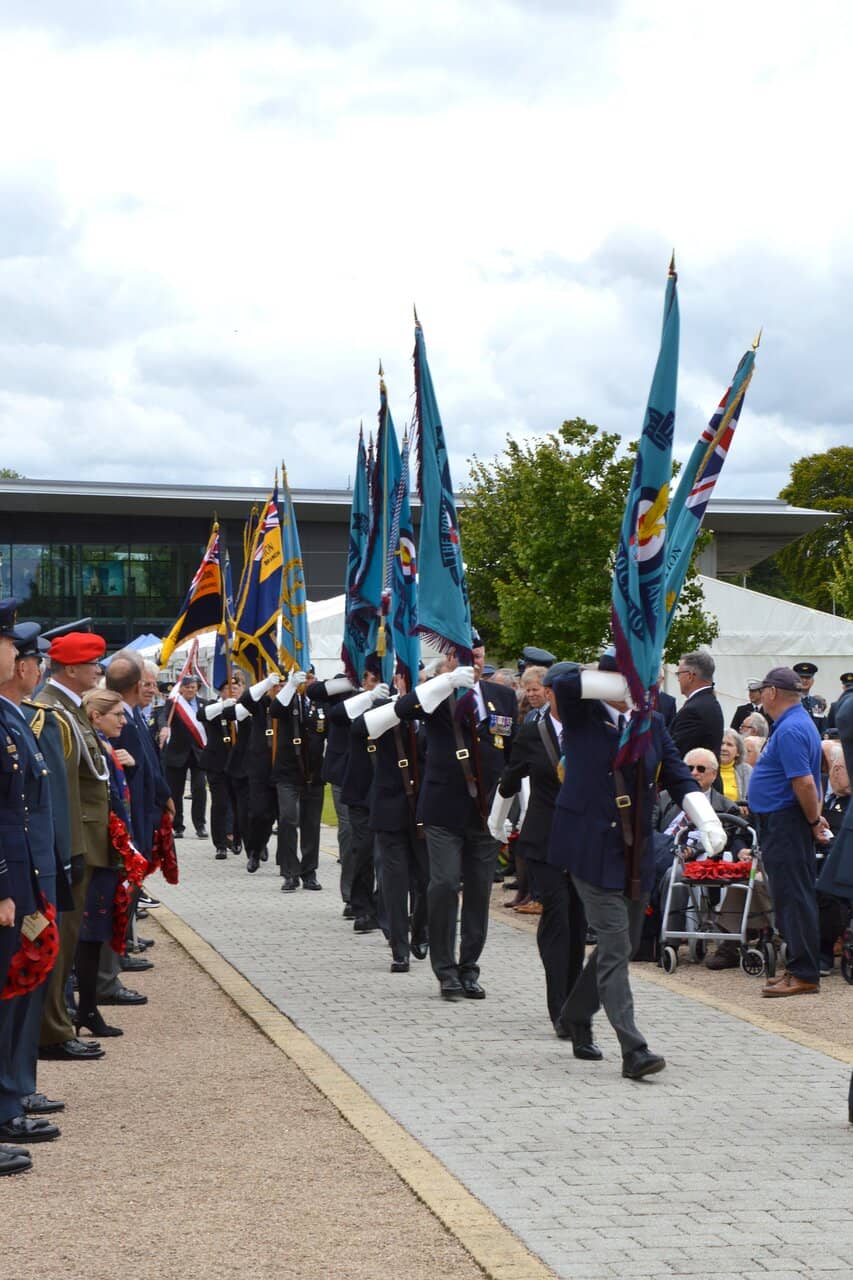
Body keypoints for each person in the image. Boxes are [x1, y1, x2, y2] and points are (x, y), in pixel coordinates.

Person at [550, 655, 725, 1079]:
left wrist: (708, 818)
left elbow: (679, 776)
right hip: (588, 847)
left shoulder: (652, 721)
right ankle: (634, 1048)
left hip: (634, 851)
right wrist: (614, 680)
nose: (652, 685)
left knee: (624, 945)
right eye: (642, 677)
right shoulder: (584, 711)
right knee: (613, 944)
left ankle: (575, 1014)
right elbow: (561, 679)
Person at [368, 630, 518, 999]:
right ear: (449, 659)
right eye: (467, 657)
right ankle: (444, 969)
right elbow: (403, 711)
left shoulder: (502, 696)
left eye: (479, 656)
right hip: (442, 808)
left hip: (486, 812)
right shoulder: (435, 693)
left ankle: (469, 967)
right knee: (445, 884)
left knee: (480, 890)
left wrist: (510, 807)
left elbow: (511, 754)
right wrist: (445, 683)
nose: (475, 662)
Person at [0, 622, 72, 1134]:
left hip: (29, 874)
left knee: (23, 985)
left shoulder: (16, 716)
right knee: (12, 989)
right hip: (13, 879)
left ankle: (16, 1090)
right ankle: (8, 1101)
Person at [491, 661, 587, 1032]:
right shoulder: (533, 732)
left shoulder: (592, 731)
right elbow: (511, 778)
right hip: (545, 839)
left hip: (582, 840)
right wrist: (497, 822)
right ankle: (560, 1008)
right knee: (558, 916)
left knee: (579, 920)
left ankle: (575, 994)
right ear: (548, 693)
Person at [37, 630, 114, 1059]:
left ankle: (59, 1022)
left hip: (83, 839)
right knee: (60, 941)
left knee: (67, 941)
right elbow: (63, 789)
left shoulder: (69, 708)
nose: (98, 671)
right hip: (73, 843)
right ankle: (53, 1031)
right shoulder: (52, 711)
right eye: (92, 664)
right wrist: (69, 851)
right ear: (70, 668)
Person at [748, 667, 828, 998]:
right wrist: (815, 817)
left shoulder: (792, 728)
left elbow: (805, 782)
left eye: (762, 689)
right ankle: (799, 967)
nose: (759, 694)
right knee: (790, 896)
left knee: (793, 898)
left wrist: (812, 821)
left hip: (786, 821)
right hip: (786, 820)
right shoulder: (795, 724)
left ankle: (803, 972)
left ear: (772, 693)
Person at [75, 688, 136, 1040]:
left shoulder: (105, 746)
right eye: (117, 715)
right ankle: (86, 1007)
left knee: (97, 933)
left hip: (109, 847)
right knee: (89, 933)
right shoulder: (93, 745)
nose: (123, 721)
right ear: (97, 717)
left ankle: (87, 1007)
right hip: (96, 849)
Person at [269, 667, 326, 892]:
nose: (307, 682)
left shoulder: (321, 703)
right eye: (304, 678)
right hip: (288, 772)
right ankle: (290, 872)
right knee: (288, 819)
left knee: (311, 824)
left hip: (314, 772)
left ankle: (309, 871)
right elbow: (274, 710)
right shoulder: (287, 700)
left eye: (310, 677)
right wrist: (291, 686)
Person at [199, 671, 246, 859]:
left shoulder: (245, 707)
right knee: (220, 803)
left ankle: (236, 837)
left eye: (236, 687)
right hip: (217, 762)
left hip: (240, 764)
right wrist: (224, 705)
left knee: (239, 804)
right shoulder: (213, 706)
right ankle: (220, 843)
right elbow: (202, 715)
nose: (232, 690)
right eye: (228, 688)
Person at [159, 675, 208, 839]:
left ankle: (200, 825)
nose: (190, 690)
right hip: (177, 753)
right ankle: (178, 825)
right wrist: (164, 728)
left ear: (197, 688)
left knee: (199, 789)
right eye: (187, 687)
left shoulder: (204, 704)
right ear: (181, 688)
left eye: (193, 687)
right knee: (176, 791)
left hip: (199, 754)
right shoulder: (173, 703)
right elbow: (163, 717)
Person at [669, 650, 724, 761]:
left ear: (690, 676)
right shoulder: (708, 702)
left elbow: (676, 753)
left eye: (679, 674)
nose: (678, 679)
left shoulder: (694, 710)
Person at [716, 729, 752, 813]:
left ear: (738, 752)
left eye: (729, 745)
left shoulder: (746, 771)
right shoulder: (708, 767)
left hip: (738, 819)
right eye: (721, 744)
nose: (724, 748)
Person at [792, 661, 827, 736]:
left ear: (813, 681)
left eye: (808, 677)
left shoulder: (817, 703)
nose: (804, 680)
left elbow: (822, 727)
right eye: (801, 677)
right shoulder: (790, 701)